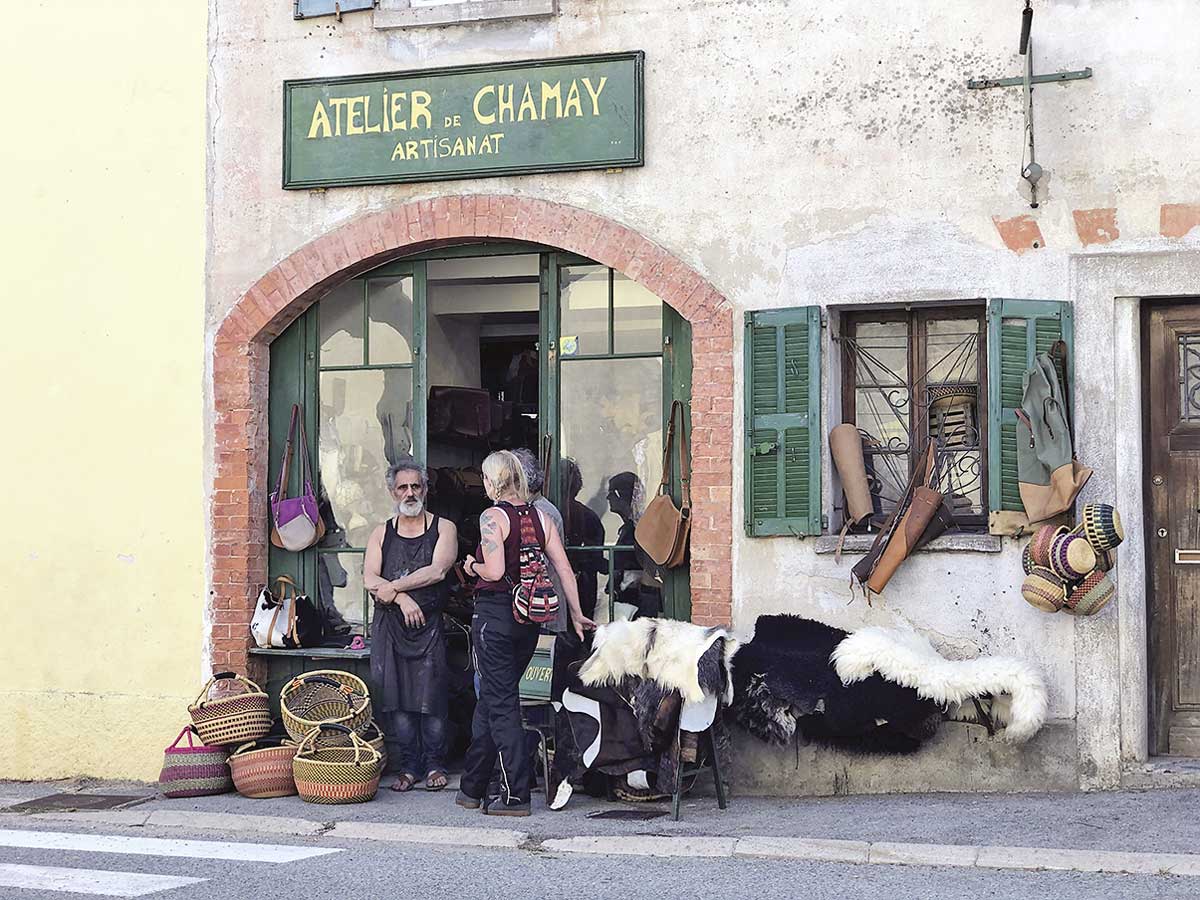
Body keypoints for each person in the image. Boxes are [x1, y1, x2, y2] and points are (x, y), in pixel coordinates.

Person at [456, 450, 594, 816]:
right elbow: (564, 569)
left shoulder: (492, 517)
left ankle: (516, 795)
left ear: (494, 482)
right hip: (529, 623)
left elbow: (494, 570)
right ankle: (471, 788)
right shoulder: (543, 517)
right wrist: (577, 614)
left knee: (500, 706)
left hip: (494, 619)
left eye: (486, 479)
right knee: (493, 702)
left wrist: (472, 565)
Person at [363, 457, 458, 793]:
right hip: (390, 627)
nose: (409, 493)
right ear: (392, 492)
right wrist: (401, 598)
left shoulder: (444, 528)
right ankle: (409, 767)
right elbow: (369, 577)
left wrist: (394, 588)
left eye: (415, 486)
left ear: (426, 489)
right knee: (397, 700)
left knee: (431, 699)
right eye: (402, 487)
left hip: (429, 626)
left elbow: (437, 571)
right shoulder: (380, 533)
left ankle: (435, 764)